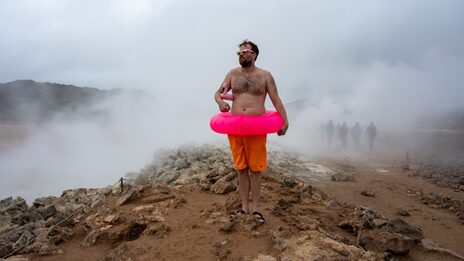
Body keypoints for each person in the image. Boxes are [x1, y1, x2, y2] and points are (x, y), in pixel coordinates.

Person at [214, 40, 289, 223]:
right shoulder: (232, 74)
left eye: (245, 51)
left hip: (256, 127)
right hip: (236, 127)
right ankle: (243, 208)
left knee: (255, 169)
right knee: (241, 168)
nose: (241, 54)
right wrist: (221, 103)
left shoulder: (265, 76)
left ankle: (256, 209)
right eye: (239, 52)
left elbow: (275, 99)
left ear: (254, 54)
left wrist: (285, 121)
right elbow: (218, 93)